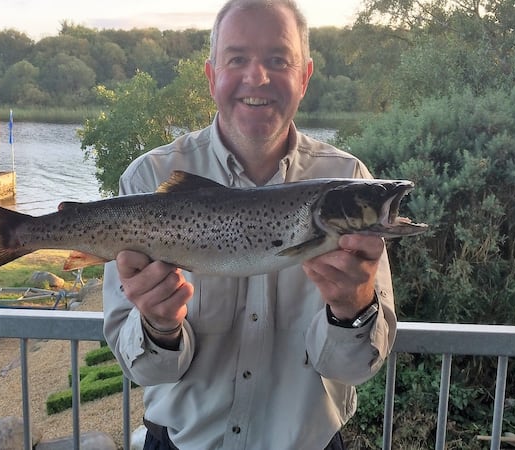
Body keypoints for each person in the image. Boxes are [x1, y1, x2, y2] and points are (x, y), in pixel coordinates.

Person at [103, 1, 397, 448]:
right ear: (211, 76)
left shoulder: (352, 181)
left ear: (305, 77)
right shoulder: (148, 179)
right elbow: (144, 370)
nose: (256, 77)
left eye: (278, 60)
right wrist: (159, 327)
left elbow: (353, 370)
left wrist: (352, 310)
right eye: (237, 58)